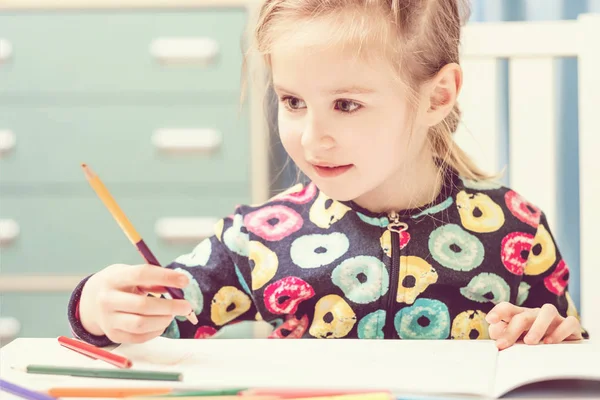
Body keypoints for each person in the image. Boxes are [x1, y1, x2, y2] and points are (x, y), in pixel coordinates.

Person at [67, 0, 587, 349]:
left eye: (346, 104)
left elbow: (563, 360)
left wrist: (553, 338)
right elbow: (165, 316)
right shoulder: (260, 237)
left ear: (438, 96)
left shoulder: (515, 230)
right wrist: (98, 307)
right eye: (293, 101)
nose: (313, 138)